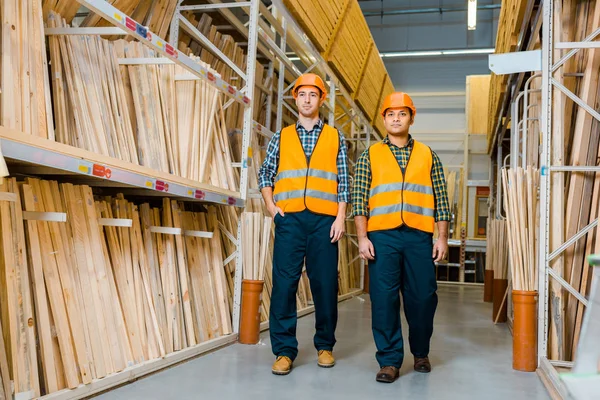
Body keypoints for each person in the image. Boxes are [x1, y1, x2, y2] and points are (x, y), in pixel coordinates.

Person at [352, 92, 450, 383]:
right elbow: (359, 200)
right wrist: (362, 237)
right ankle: (390, 360)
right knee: (383, 300)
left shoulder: (428, 154)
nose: (396, 118)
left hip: (419, 237)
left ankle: (420, 352)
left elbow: (441, 200)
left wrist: (441, 237)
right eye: (391, 114)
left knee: (422, 297)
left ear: (411, 117)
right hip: (382, 237)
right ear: (383, 119)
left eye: (402, 113)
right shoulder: (370, 154)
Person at [258, 73, 350, 375]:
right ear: (295, 99)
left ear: (321, 100)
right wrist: (272, 207)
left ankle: (325, 346)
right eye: (302, 95)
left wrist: (340, 217)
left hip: (325, 221)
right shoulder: (281, 137)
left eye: (313, 95)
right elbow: (265, 174)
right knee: (284, 284)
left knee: (324, 285)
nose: (307, 100)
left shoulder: (336, 137)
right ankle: (284, 351)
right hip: (291, 219)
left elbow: (343, 182)